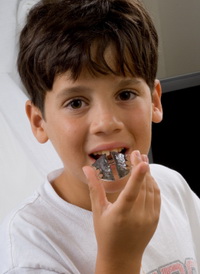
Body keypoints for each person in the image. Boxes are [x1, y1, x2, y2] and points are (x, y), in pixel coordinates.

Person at [0, 0, 199, 273]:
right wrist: (119, 259)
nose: (106, 123)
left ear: (154, 102)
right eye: (76, 103)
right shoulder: (28, 245)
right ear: (38, 121)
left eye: (125, 95)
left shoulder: (172, 186)